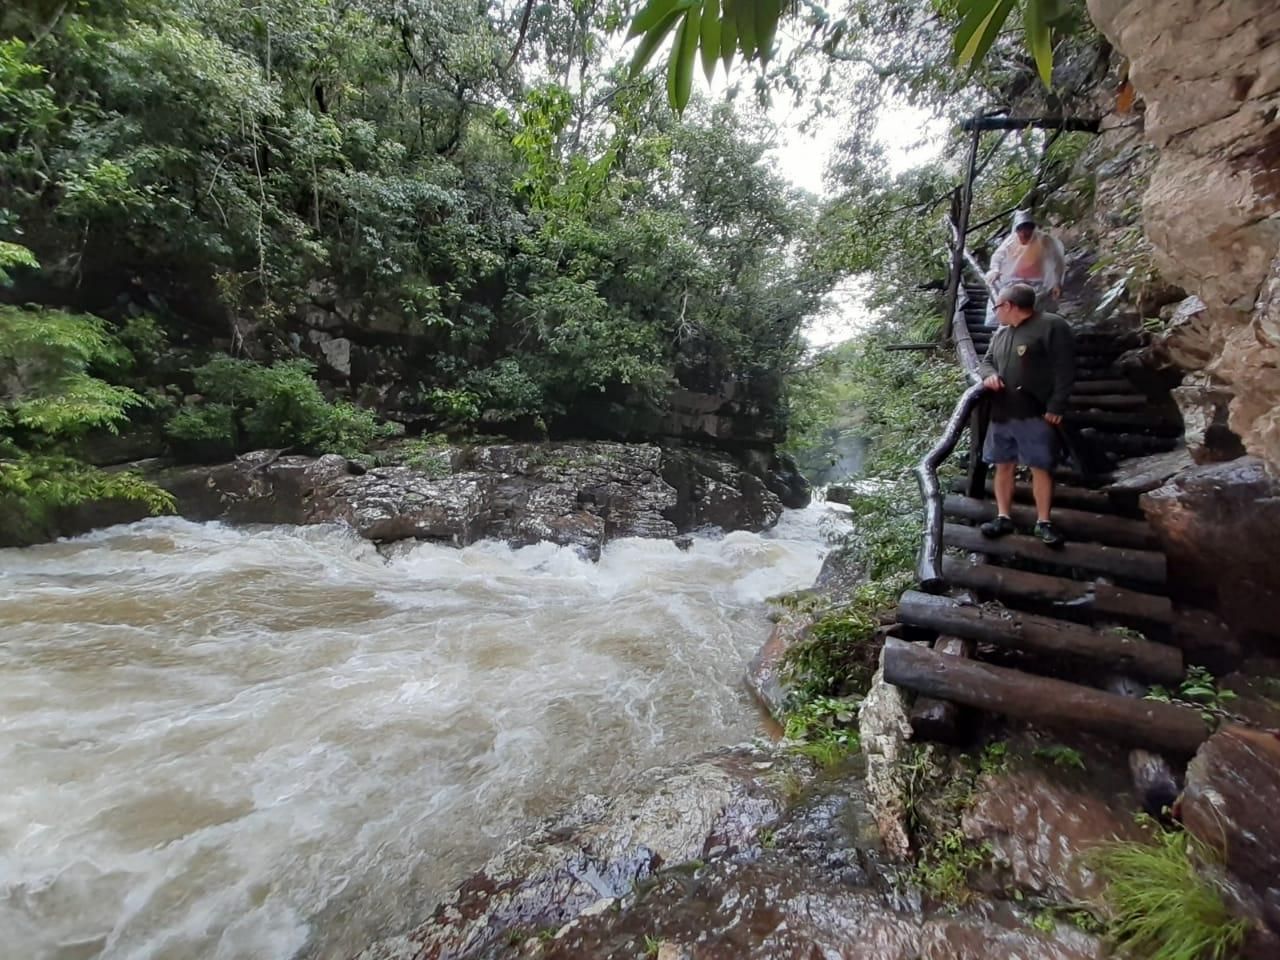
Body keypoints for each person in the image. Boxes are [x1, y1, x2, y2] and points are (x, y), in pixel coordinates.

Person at [977, 283, 1075, 548]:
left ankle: (1044, 521)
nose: (995, 312)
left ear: (1008, 306)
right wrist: (990, 376)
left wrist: (1057, 405)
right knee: (1003, 464)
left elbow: (1065, 369)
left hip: (1035, 412)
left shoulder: (1051, 326)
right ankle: (1003, 516)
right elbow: (985, 362)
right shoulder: (1001, 334)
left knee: (1040, 466)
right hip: (1002, 412)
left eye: (997, 307)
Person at [984, 210, 1066, 326]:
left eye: (1027, 232)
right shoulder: (1011, 241)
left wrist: (1055, 283)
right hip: (1012, 282)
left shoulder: (1044, 241)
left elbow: (1054, 262)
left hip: (1036, 284)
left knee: (1035, 305)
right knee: (1003, 298)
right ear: (1016, 231)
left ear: (1032, 230)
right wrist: (995, 270)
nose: (1023, 235)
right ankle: (1003, 327)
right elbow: (998, 256)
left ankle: (1033, 328)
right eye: (1020, 232)